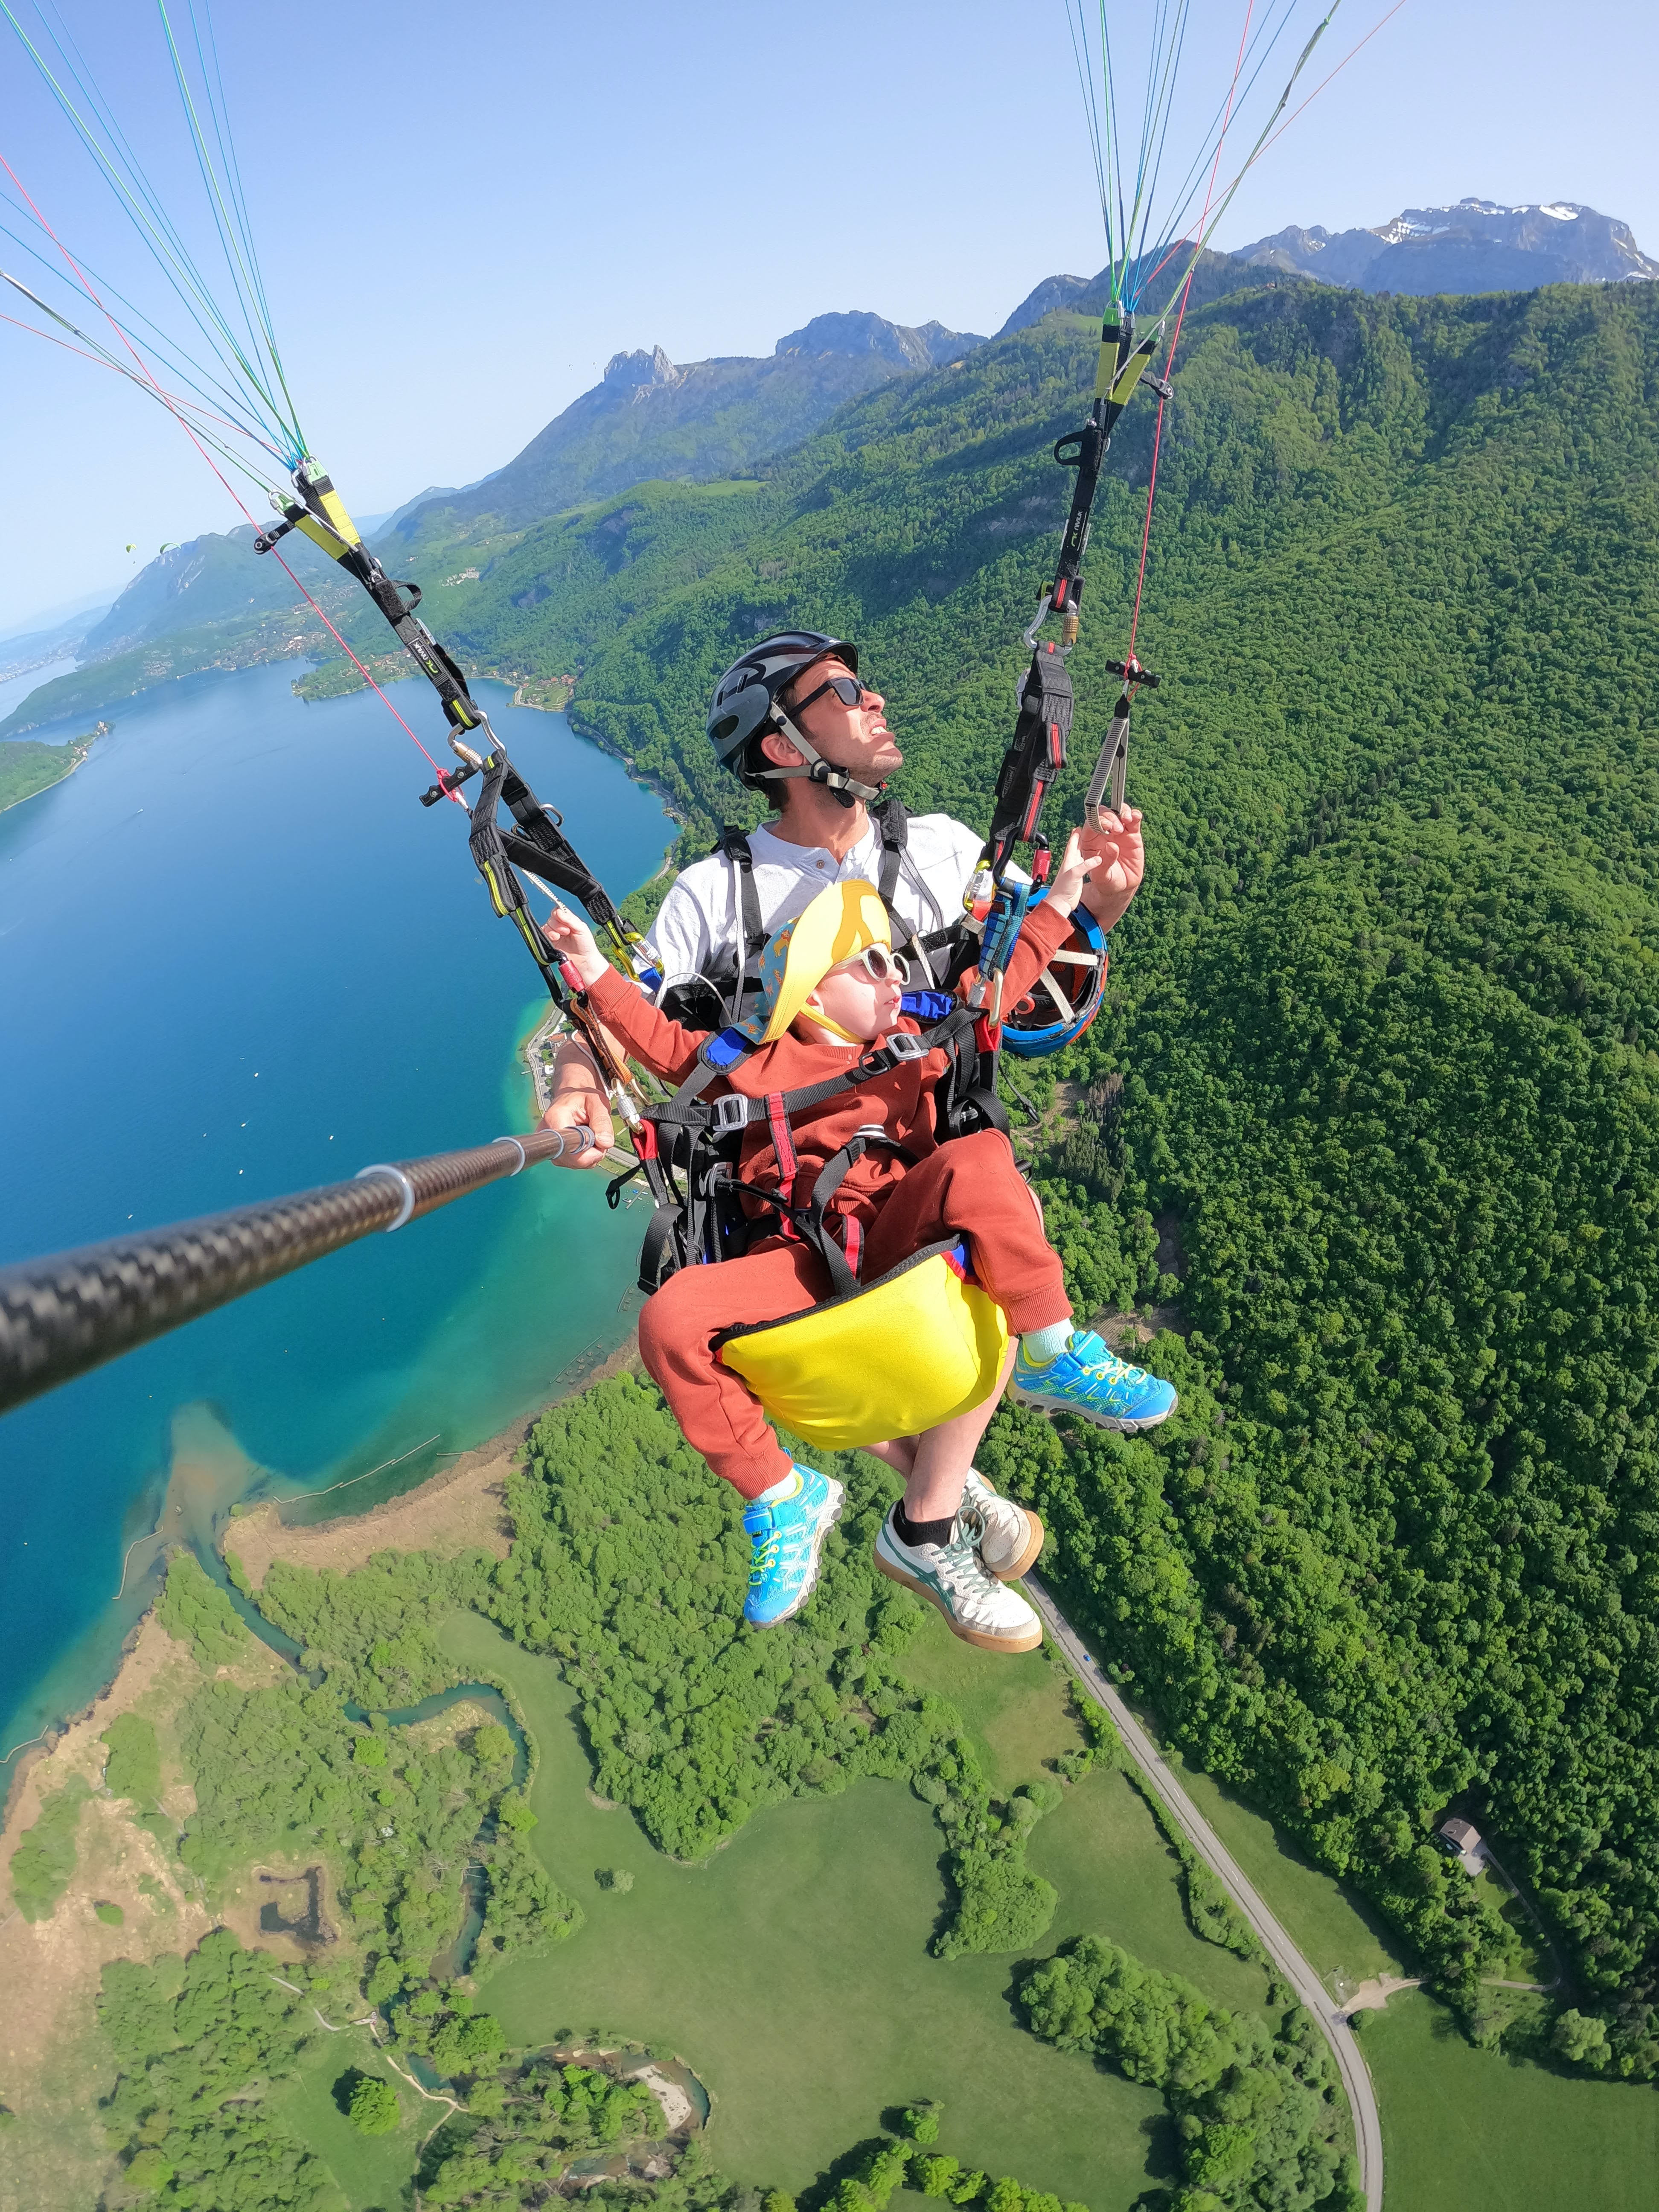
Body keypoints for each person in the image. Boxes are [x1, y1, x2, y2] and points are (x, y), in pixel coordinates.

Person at [540, 842, 1176, 1655]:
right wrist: (594, 968)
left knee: (981, 1158)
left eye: (893, 961)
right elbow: (661, 1042)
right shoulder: (753, 1063)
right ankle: (780, 1495)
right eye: (871, 963)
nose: (893, 975)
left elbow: (1002, 980)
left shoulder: (919, 1036)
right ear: (812, 992)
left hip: (901, 1231)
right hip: (797, 1258)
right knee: (670, 1319)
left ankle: (1053, 1349)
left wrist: (1061, 898)